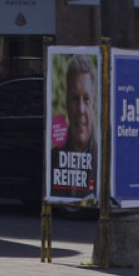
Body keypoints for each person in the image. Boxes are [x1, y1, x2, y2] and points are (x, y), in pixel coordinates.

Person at [49, 54, 97, 200]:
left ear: (94, 104)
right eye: (75, 99)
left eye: (86, 99)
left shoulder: (106, 161)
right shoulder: (53, 160)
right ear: (66, 104)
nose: (81, 109)